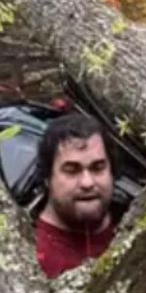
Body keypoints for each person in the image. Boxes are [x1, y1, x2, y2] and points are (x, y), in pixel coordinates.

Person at [34, 114, 116, 278]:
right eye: (72, 170)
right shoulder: (31, 253)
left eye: (97, 168)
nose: (87, 183)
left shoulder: (142, 222)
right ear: (47, 178)